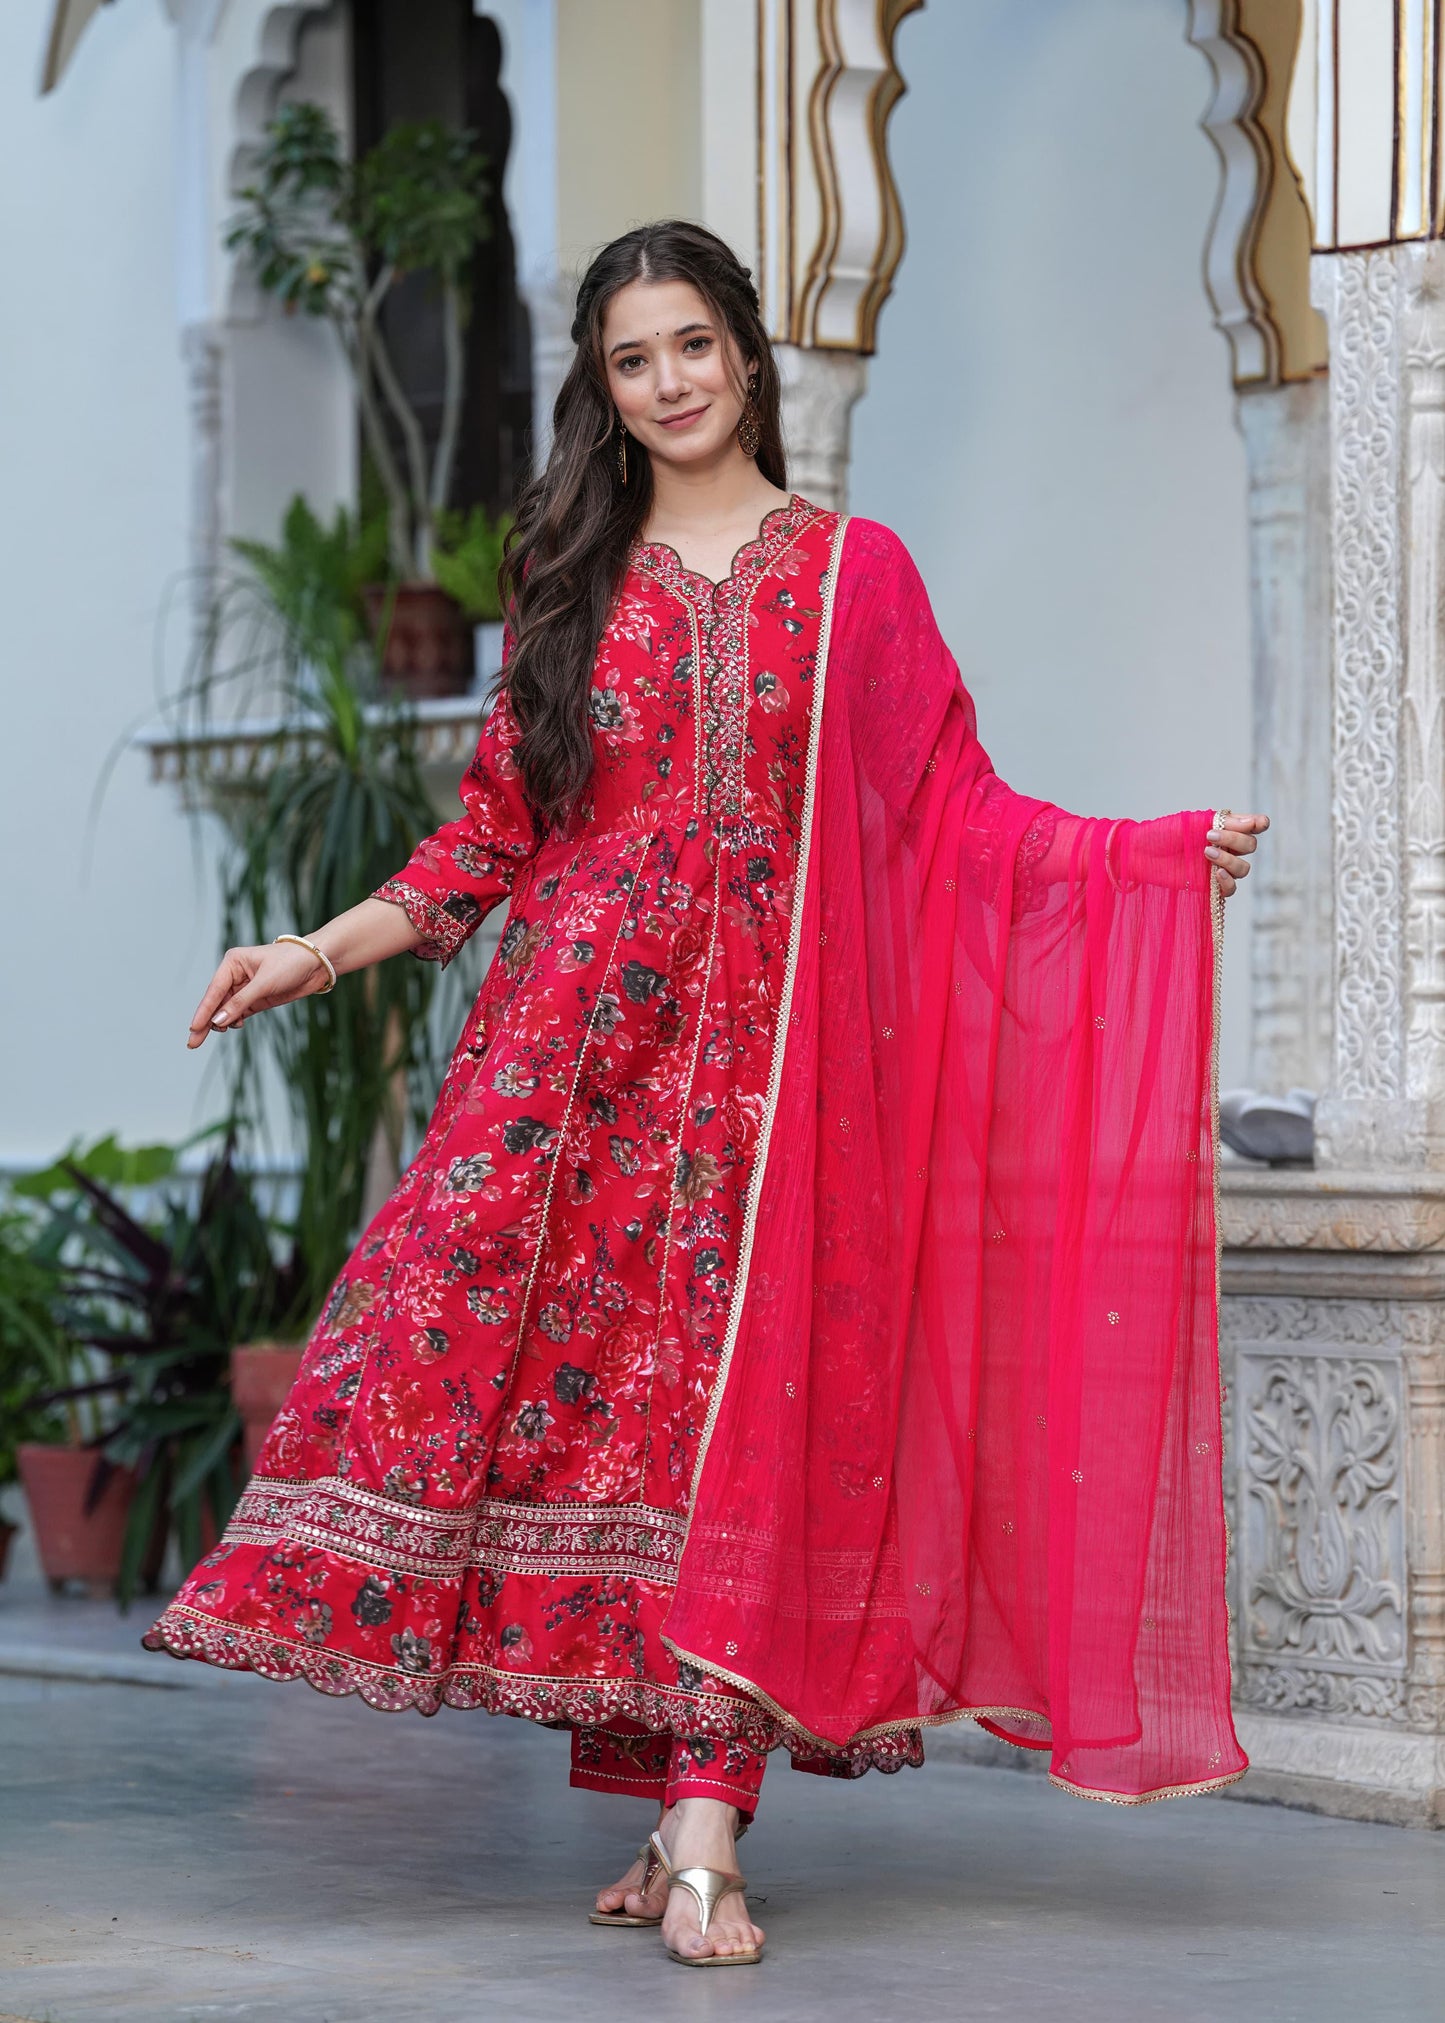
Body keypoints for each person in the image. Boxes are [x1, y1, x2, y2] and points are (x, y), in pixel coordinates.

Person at [145, 220, 1268, 1968]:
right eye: (631, 360)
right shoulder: (567, 579)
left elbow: (953, 809)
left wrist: (1138, 859)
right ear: (603, 390)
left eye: (690, 345)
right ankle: (667, 1798)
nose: (668, 382)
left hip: (781, 1072)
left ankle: (702, 1833)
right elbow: (488, 837)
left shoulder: (852, 575)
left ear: (745, 351)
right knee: (552, 1396)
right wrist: (314, 949)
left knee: (748, 1426)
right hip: (572, 1069)